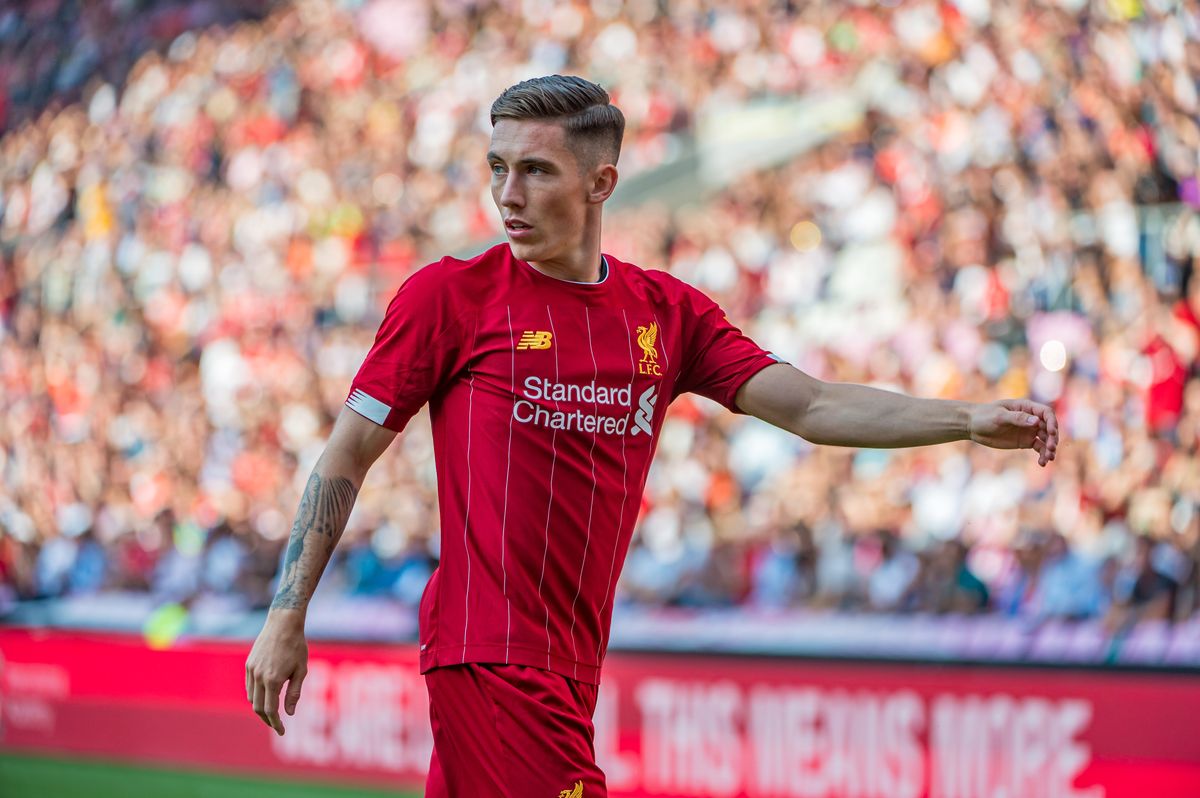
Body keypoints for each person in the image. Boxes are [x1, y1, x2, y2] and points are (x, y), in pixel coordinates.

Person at [244, 75, 1058, 797]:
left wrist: (965, 419)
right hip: (491, 657)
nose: (508, 194)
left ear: (602, 183)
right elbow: (346, 455)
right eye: (498, 167)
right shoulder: (449, 299)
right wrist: (287, 613)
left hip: (571, 666)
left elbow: (809, 406)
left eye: (535, 170)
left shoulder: (666, 314)